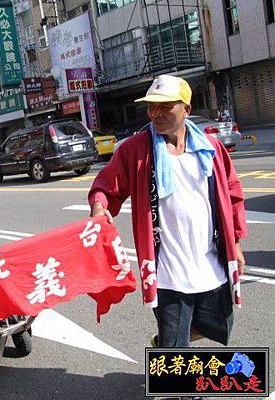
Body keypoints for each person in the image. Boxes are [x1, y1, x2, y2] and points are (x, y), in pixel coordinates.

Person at [88, 75, 247, 350]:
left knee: (219, 324)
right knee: (176, 347)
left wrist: (236, 242)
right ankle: (175, 366)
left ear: (186, 108)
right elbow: (106, 185)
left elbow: (232, 194)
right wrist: (100, 206)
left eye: (165, 106)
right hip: (168, 269)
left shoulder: (211, 148)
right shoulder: (136, 150)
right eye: (151, 106)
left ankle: (164, 344)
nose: (155, 113)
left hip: (210, 261)